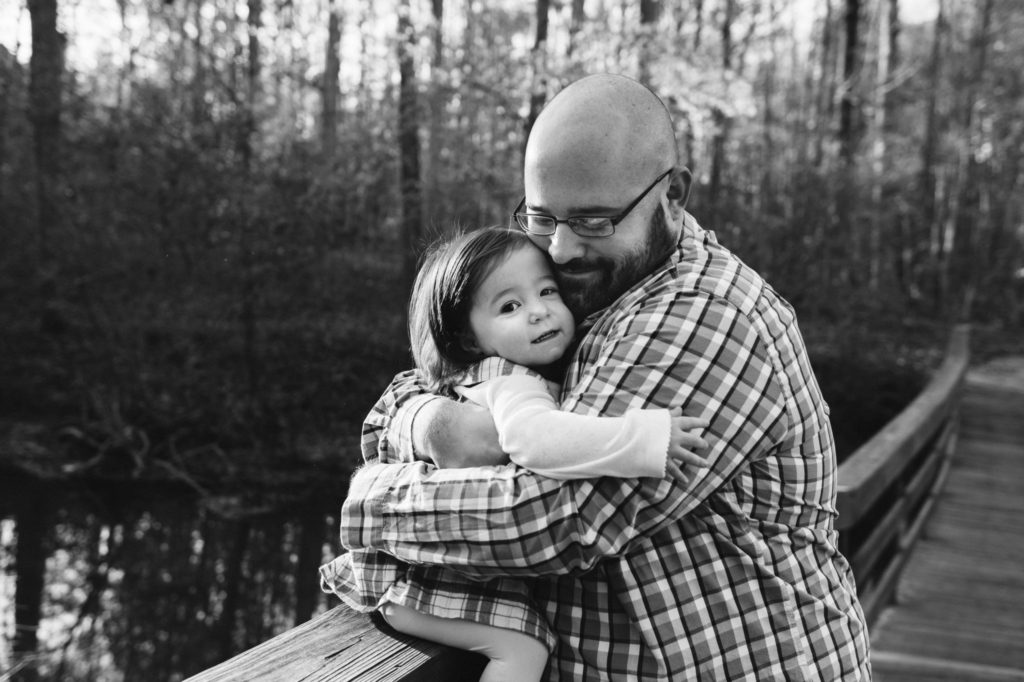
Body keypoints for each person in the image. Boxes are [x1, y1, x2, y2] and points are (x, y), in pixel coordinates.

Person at [335, 74, 871, 680]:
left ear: (673, 195)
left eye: (593, 220)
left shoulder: (704, 315)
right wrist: (429, 421)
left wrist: (372, 502)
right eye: (542, 218)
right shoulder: (581, 286)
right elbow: (448, 365)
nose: (561, 249)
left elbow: (552, 520)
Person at [320, 226, 710, 682]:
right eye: (510, 306)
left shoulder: (500, 369)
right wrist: (643, 439)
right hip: (413, 582)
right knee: (524, 648)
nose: (539, 311)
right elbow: (535, 441)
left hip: (430, 568)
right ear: (469, 340)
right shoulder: (513, 382)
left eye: (547, 291)